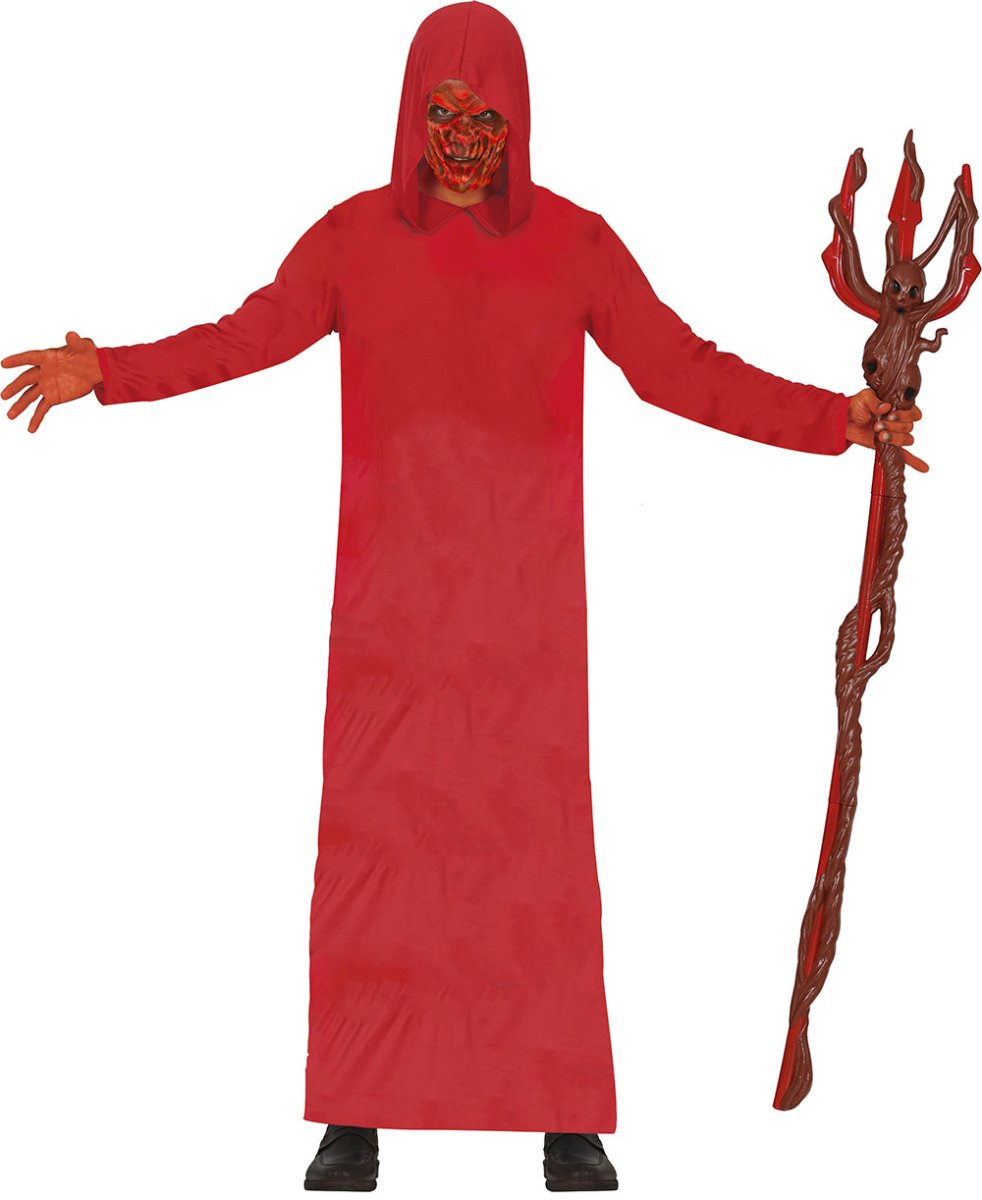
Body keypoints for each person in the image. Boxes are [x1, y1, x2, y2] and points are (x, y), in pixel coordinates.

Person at [1, 2, 924, 1192]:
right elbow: (248, 336)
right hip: (389, 613)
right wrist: (111, 372)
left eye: (486, 116)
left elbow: (675, 367)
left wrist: (834, 419)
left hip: (525, 614)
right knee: (379, 859)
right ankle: (355, 1114)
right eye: (444, 112)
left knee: (533, 867)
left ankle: (564, 1116)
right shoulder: (351, 239)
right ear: (412, 113)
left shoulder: (575, 244)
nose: (466, 138)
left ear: (517, 120)